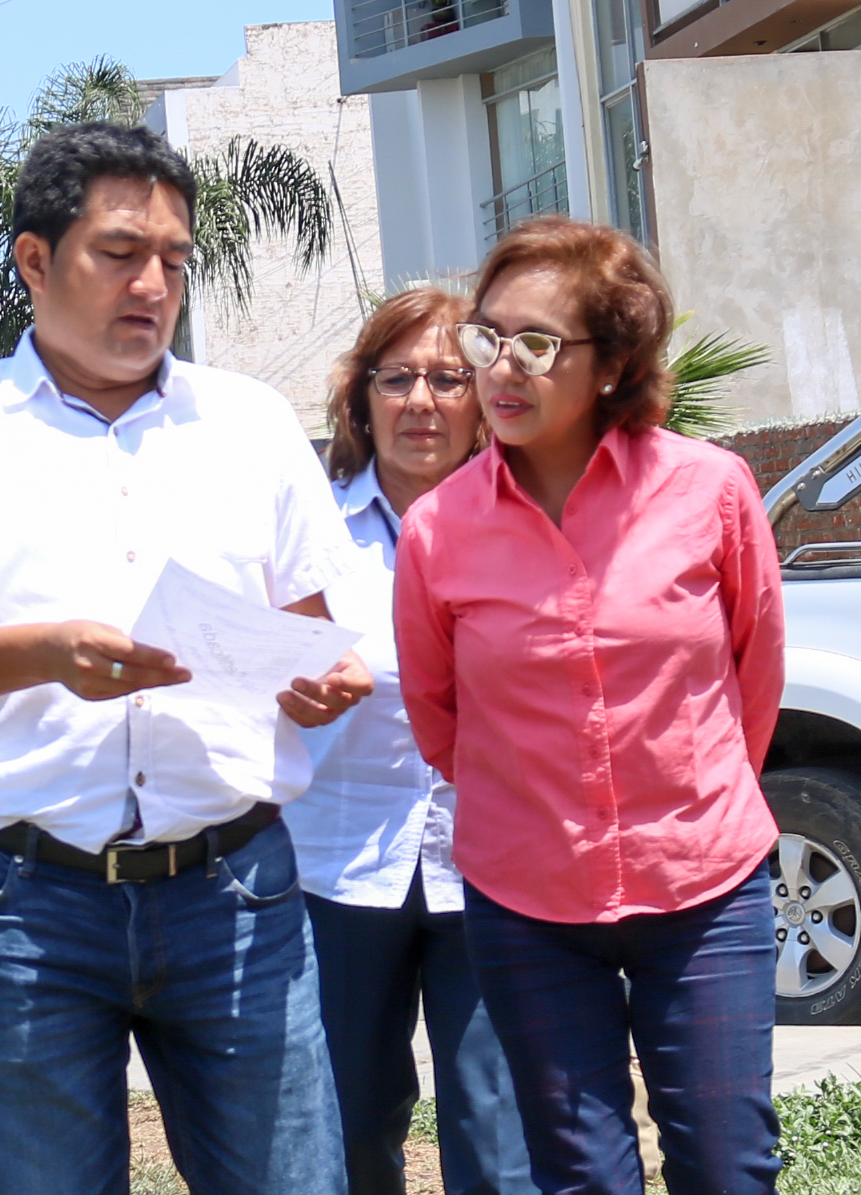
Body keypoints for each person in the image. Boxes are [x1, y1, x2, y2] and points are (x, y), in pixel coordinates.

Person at [0, 121, 373, 1195]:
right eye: (120, 253)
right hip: (26, 901)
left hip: (236, 892)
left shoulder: (250, 423)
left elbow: (315, 646)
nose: (153, 284)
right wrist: (44, 652)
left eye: (174, 259)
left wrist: (321, 684)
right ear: (36, 258)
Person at [394, 216, 787, 1195]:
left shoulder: (712, 489)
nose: (503, 368)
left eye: (538, 343)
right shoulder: (438, 529)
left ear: (611, 364)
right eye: (488, 337)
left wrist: (688, 791)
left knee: (728, 1164)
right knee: (583, 1175)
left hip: (704, 880)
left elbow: (756, 671)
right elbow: (439, 715)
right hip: (526, 895)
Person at [286, 287, 536, 1195]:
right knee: (346, 1130)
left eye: (446, 378)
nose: (421, 401)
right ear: (361, 399)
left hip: (490, 873)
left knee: (499, 1142)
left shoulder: (528, 528)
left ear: (483, 398)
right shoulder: (306, 536)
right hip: (336, 870)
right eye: (397, 379)